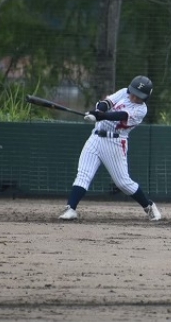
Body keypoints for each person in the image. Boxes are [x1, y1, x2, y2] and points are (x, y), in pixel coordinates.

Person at [58, 75, 162, 222]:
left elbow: (120, 115)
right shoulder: (124, 92)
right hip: (95, 138)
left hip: (115, 143)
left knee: (123, 183)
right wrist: (97, 111)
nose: (134, 97)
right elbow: (107, 102)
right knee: (83, 175)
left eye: (139, 96)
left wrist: (100, 116)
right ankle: (71, 208)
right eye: (133, 93)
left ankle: (149, 206)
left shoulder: (141, 110)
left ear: (145, 98)